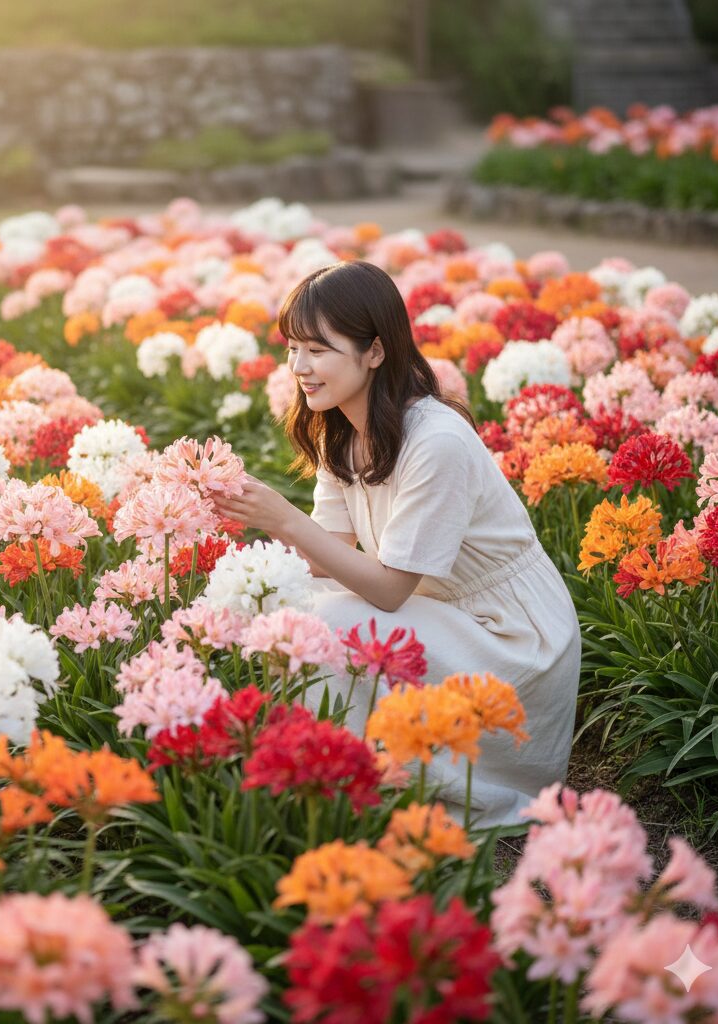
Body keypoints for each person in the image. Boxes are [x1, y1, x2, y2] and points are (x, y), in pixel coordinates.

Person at [211, 260, 581, 828]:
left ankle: (348, 784)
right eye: (292, 348)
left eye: (318, 350)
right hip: (438, 612)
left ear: (376, 351)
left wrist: (280, 519)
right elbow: (320, 561)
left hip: (510, 639)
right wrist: (243, 558)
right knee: (289, 612)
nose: (299, 367)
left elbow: (387, 590)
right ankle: (319, 776)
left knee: (326, 630)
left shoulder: (436, 442)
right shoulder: (341, 428)